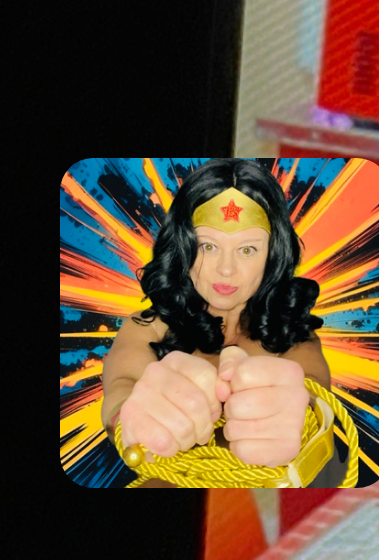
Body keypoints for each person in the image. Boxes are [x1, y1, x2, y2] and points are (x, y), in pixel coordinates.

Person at [100, 158, 335, 487]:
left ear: (272, 255)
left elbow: (316, 398)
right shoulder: (146, 327)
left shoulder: (294, 334)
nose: (226, 269)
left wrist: (302, 415)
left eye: (247, 250)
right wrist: (131, 418)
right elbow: (120, 389)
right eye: (208, 246)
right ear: (184, 247)